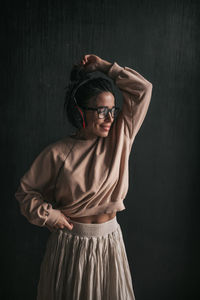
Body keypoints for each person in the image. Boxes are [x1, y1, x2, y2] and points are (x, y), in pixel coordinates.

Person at [15, 54, 153, 300]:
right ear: (80, 113)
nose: (111, 118)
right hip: (71, 248)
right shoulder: (57, 153)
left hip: (110, 245)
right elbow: (25, 193)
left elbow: (143, 89)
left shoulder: (121, 136)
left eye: (113, 110)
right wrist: (49, 215)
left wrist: (103, 67)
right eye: (102, 111)